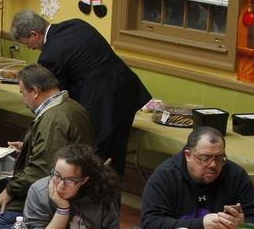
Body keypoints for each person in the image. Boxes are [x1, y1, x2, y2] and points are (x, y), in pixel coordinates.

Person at [10, 10, 152, 180]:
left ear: (34, 34)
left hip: (103, 107)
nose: (30, 48)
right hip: (127, 93)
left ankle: (94, 203)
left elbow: (51, 103)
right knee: (115, 160)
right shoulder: (76, 24)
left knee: (95, 164)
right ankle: (111, 203)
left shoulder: (50, 56)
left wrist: (27, 141)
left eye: (27, 43)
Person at [0, 64, 97, 229]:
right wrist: (29, 147)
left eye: (23, 94)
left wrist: (9, 192)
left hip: (56, 194)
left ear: (35, 91)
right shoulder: (73, 107)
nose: (24, 101)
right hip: (75, 187)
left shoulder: (53, 120)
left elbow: (41, 170)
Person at [140, 126, 254, 229]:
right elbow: (151, 225)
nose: (213, 165)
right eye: (205, 158)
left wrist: (242, 228)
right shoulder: (166, 176)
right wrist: (200, 226)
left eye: (219, 158)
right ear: (188, 155)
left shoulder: (236, 176)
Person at [23, 143, 120, 229]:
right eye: (57, 175)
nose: (61, 186)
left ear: (84, 180)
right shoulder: (39, 191)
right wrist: (63, 209)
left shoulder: (102, 192)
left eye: (70, 180)